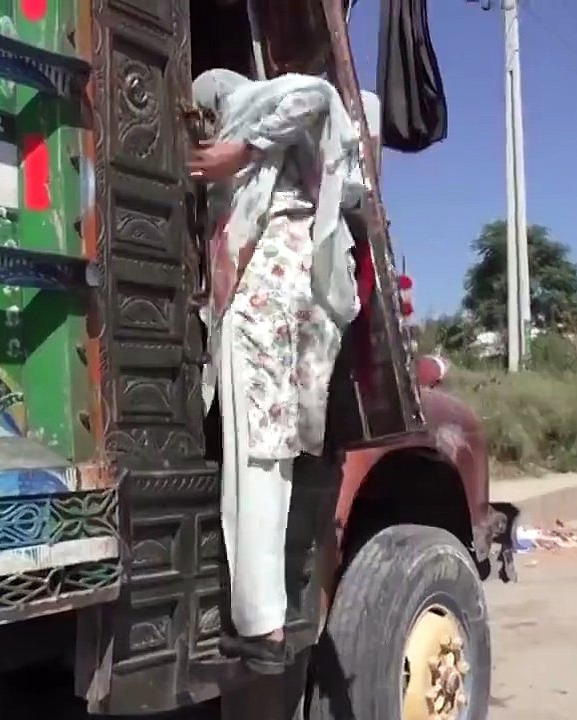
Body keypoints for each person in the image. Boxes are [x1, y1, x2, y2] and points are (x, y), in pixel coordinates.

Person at [189, 68, 365, 675]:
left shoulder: (253, 113)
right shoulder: (285, 160)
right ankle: (262, 618)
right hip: (293, 294)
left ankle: (260, 624)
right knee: (272, 453)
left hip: (267, 291)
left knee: (255, 457)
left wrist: (242, 145)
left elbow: (316, 94)